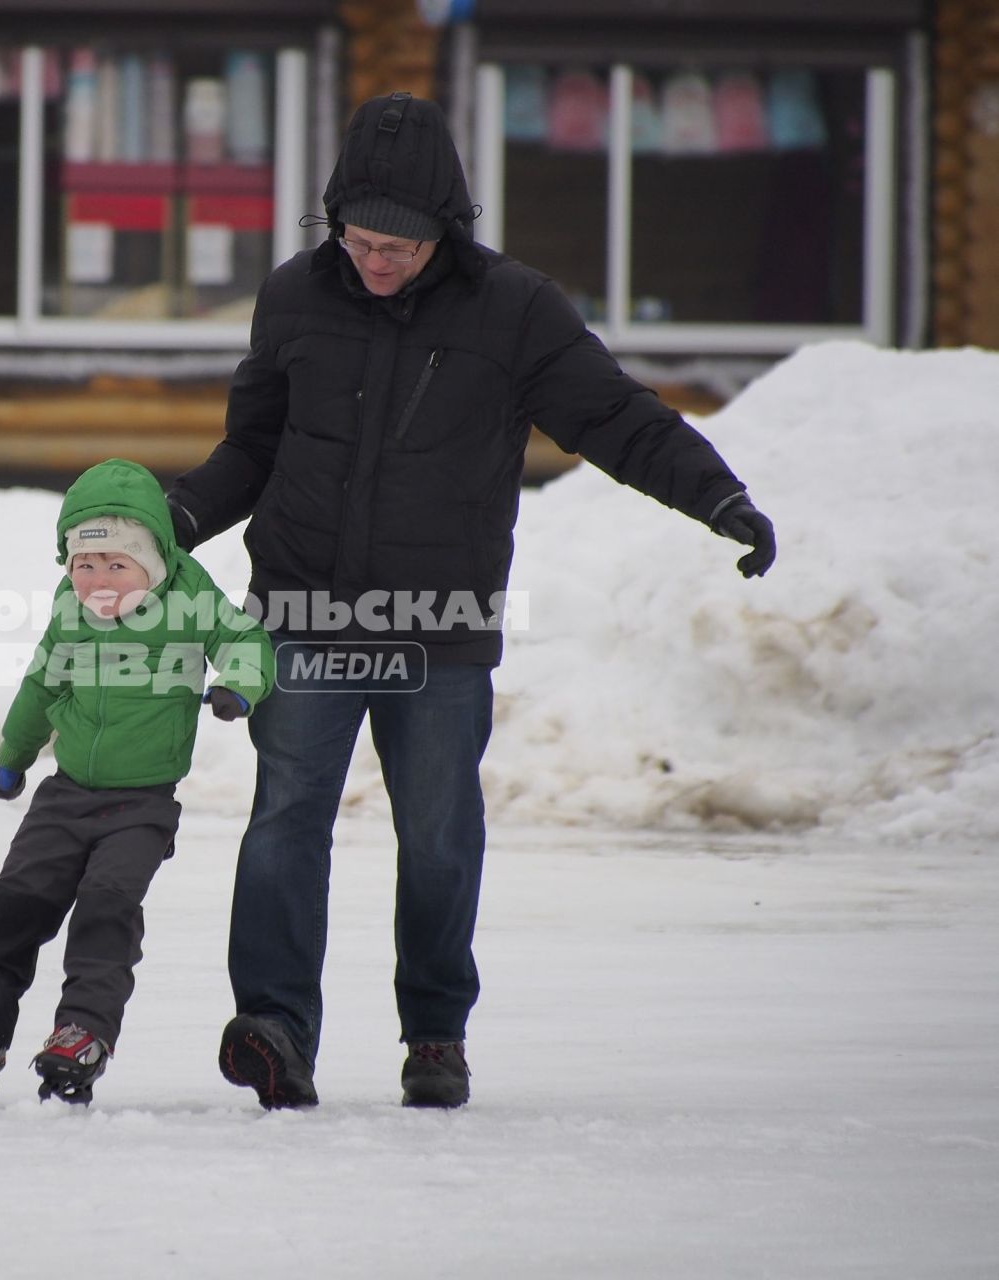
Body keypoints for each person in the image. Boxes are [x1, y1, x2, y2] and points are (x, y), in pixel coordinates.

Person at [165, 92, 777, 1111]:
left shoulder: (515, 309)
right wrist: (170, 518)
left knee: (441, 832)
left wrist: (717, 496)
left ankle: (436, 1031)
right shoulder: (292, 298)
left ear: (446, 228)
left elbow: (614, 417)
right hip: (303, 613)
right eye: (360, 238)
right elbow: (253, 450)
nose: (378, 259)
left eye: (400, 244)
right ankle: (274, 1024)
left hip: (440, 630)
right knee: (284, 818)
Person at [0, 457, 275, 1106]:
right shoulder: (70, 608)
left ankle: (81, 1034)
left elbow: (245, 638)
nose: (97, 580)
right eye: (83, 565)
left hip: (141, 804)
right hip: (62, 796)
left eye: (116, 565)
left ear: (151, 564)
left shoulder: (187, 596)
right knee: (12, 906)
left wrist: (238, 686)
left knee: (106, 907)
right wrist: (15, 752)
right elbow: (42, 683)